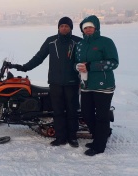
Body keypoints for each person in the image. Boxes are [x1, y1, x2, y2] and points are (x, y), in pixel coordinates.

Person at [13, 17, 82, 147]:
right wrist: (24, 67)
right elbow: (39, 58)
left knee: (72, 111)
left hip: (72, 83)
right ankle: (60, 137)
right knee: (58, 111)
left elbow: (86, 58)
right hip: (55, 83)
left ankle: (72, 137)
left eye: (67, 26)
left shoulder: (78, 42)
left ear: (71, 28)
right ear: (58, 28)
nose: (64, 28)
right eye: (61, 26)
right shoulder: (51, 42)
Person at [75, 15, 119, 156]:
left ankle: (99, 145)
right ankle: (100, 135)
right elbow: (76, 61)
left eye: (90, 27)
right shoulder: (81, 44)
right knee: (86, 114)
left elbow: (113, 62)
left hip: (103, 86)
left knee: (101, 116)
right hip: (86, 85)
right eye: (85, 28)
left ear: (96, 28)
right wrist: (77, 66)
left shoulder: (106, 42)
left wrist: (91, 66)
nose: (88, 30)